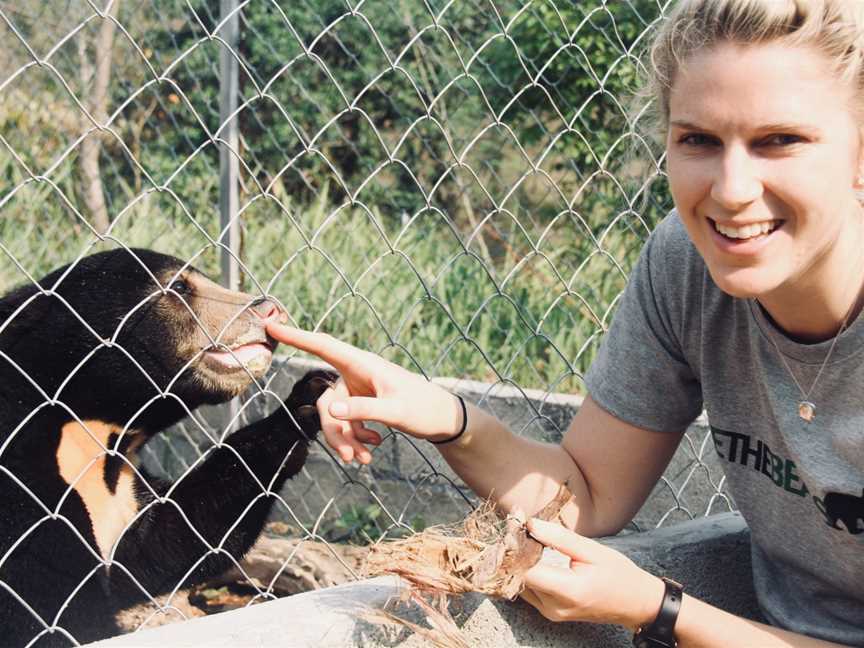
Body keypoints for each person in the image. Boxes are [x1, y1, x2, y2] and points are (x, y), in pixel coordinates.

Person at [267, 1, 864, 645]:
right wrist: (448, 419)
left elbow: (653, 605)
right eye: (698, 140)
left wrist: (660, 610)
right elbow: (591, 490)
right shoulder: (687, 265)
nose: (733, 189)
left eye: (781, 141)